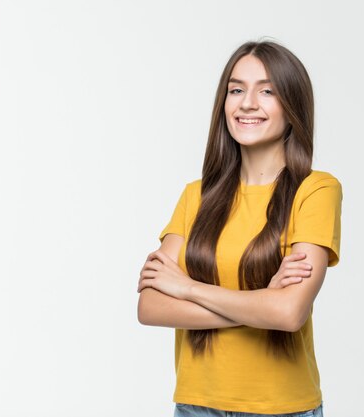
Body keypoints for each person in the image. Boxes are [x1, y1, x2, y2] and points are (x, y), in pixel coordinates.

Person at [137, 39, 342, 417]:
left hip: (282, 408)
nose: (247, 103)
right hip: (197, 406)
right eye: (236, 90)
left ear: (292, 105)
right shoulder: (196, 196)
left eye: (267, 90)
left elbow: (288, 314)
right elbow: (150, 306)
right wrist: (262, 300)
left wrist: (187, 289)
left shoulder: (316, 190)